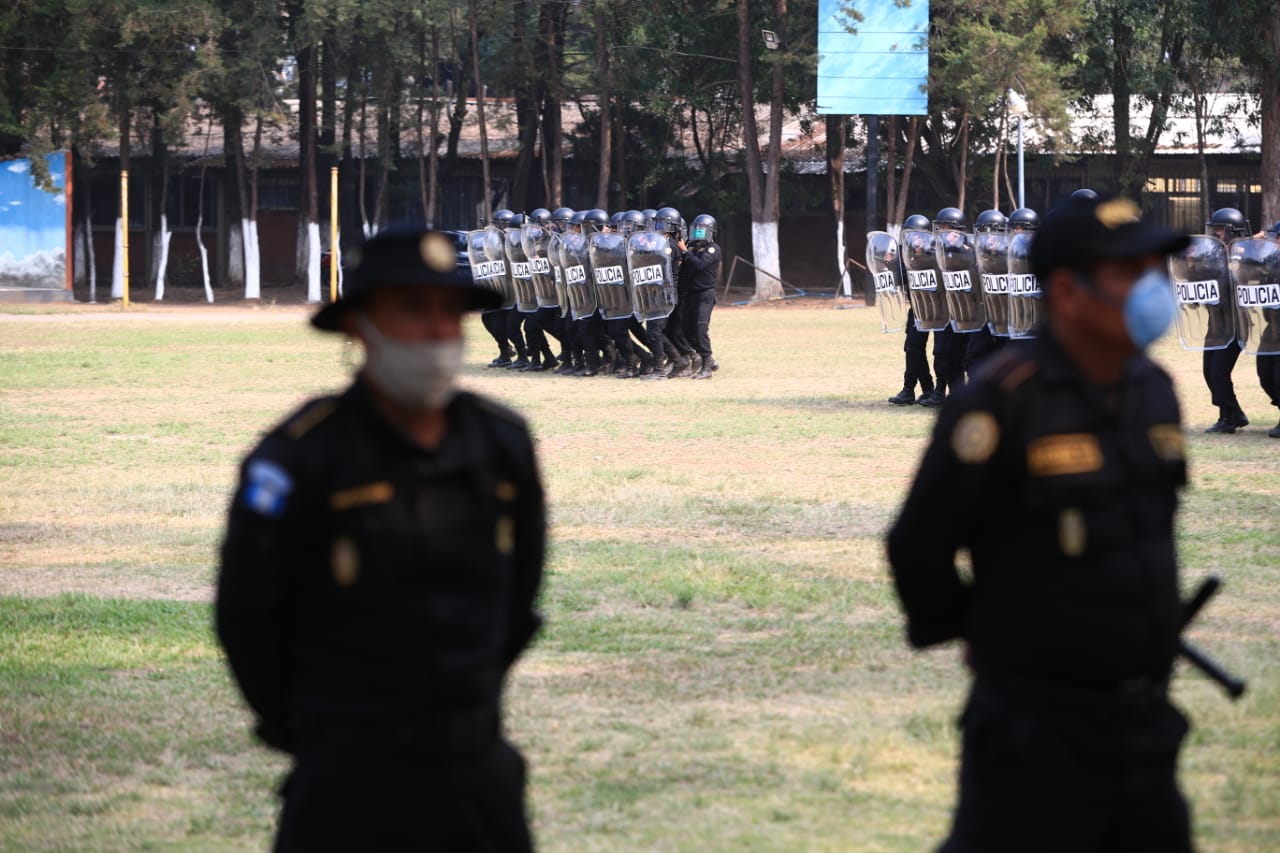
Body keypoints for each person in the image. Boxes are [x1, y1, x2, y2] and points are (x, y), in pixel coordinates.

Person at [216, 224, 545, 852]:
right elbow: (248, 618)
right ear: (359, 325)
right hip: (349, 782)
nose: (437, 332)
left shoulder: (501, 444)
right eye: (412, 309)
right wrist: (315, 729)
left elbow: (517, 599)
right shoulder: (299, 458)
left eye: (451, 312)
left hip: (476, 775)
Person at [887, 195, 1195, 852]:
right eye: (1127, 273)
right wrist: (980, 629)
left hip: (1145, 722)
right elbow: (918, 542)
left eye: (1153, 270)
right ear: (1066, 288)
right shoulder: (1002, 399)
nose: (1151, 289)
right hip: (1036, 726)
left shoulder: (1155, 391)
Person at [1200, 208, 1251, 433]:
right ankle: (1231, 414)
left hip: (1236, 325)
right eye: (1214, 230)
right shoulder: (1213, 257)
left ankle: (1231, 417)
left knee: (1219, 372)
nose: (1215, 235)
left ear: (1232, 233)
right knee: (1209, 371)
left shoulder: (1246, 258)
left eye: (1219, 231)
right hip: (1215, 324)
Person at [889, 214, 937, 405]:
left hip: (941, 308)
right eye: (909, 234)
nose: (913, 239)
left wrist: (922, 256)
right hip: (918, 307)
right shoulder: (903, 253)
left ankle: (940, 392)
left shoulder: (936, 253)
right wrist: (891, 263)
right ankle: (916, 389)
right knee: (913, 347)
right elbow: (899, 279)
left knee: (944, 351)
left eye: (917, 235)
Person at [678, 213, 723, 379]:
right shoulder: (690, 248)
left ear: (710, 232)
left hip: (705, 295)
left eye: (701, 231)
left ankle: (706, 367)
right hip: (691, 294)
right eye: (696, 231)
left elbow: (700, 265)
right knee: (686, 330)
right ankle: (708, 358)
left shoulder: (713, 249)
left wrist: (684, 252)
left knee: (700, 330)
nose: (698, 234)